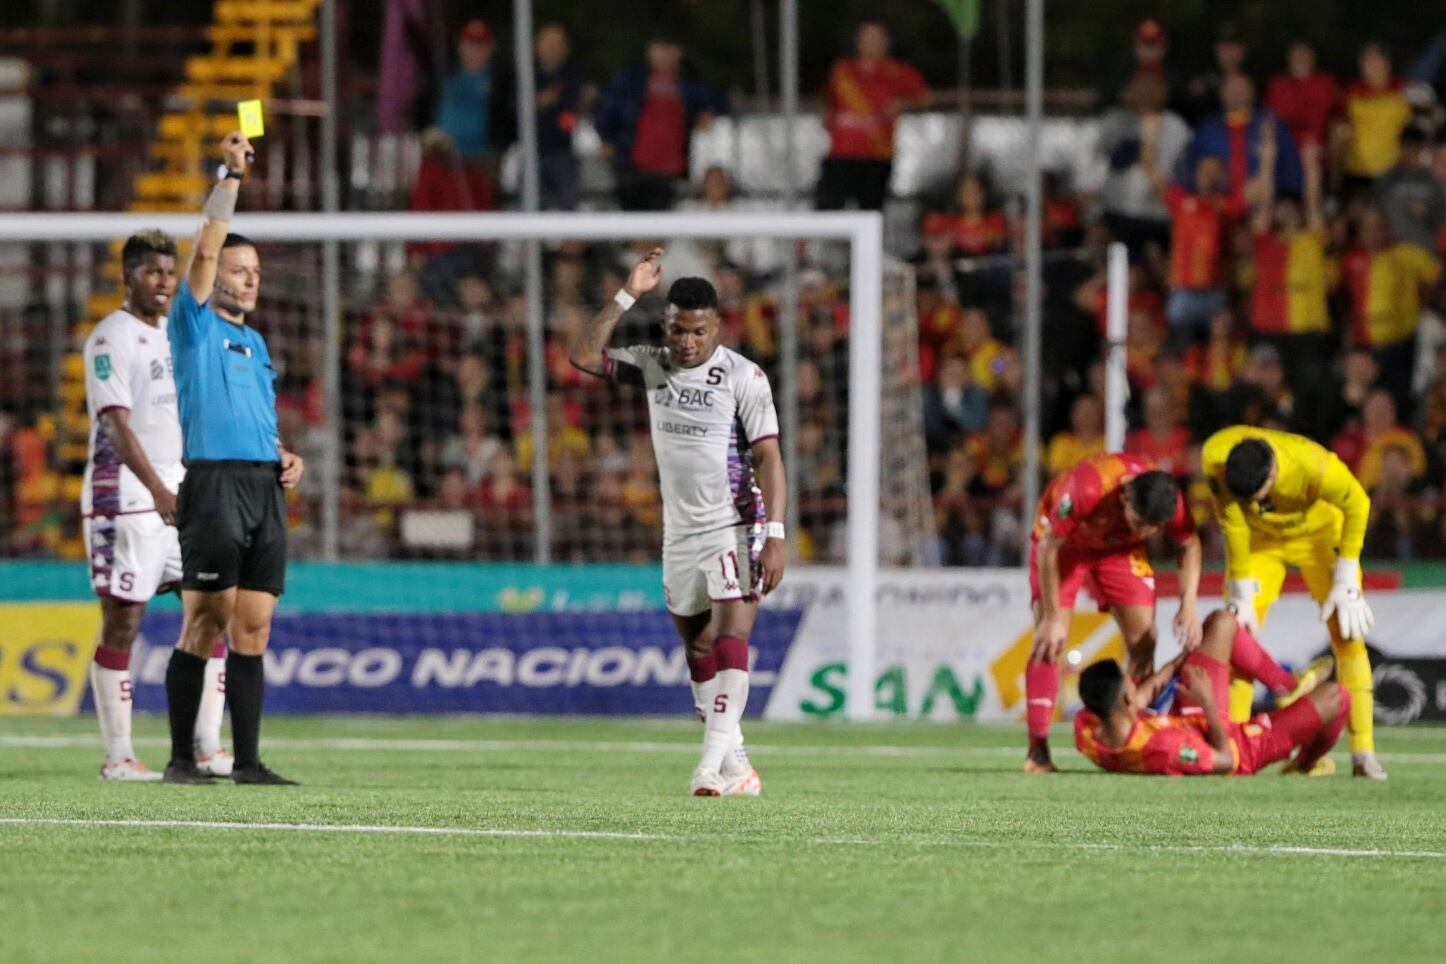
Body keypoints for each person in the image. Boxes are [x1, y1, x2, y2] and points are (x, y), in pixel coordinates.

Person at [569, 248, 786, 796]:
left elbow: (769, 458)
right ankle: (737, 763)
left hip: (734, 523)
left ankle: (708, 768)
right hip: (680, 532)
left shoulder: (744, 376)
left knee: (732, 635)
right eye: (678, 330)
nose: (688, 342)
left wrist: (776, 535)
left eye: (698, 331)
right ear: (665, 325)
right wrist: (628, 292)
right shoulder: (653, 364)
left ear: (718, 326)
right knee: (696, 647)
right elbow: (581, 355)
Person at [162, 132, 304, 785]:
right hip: (214, 486)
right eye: (240, 269)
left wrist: (285, 457)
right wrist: (231, 175)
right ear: (215, 274)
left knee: (255, 627)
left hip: (261, 486)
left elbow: (257, 419)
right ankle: (180, 759)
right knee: (205, 620)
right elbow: (205, 244)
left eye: (256, 273)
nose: (251, 279)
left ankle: (246, 762)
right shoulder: (193, 324)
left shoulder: (259, 342)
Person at [80, 230, 229, 780]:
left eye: (170, 273)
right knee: (124, 623)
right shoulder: (109, 339)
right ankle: (119, 756)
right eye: (153, 272)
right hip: (125, 501)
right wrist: (160, 493)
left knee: (213, 612)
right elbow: (115, 424)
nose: (164, 282)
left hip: (182, 497)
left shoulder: (178, 335)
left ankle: (208, 748)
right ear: (128, 277)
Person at [1200, 425, 1386, 778]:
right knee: (1237, 638)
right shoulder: (1215, 456)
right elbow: (1234, 523)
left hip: (1319, 536)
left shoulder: (1314, 466)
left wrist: (1347, 574)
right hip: (1260, 543)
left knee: (1347, 634)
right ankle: (1233, 753)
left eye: (1259, 494)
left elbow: (1358, 503)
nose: (1255, 503)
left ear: (1273, 473)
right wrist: (1240, 588)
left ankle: (1363, 753)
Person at [1025, 453, 1203, 772]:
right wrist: (1051, 617)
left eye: (1154, 529)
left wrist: (1187, 606)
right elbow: (1050, 546)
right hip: (1062, 545)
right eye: (1140, 524)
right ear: (1125, 496)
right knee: (1050, 640)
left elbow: (1190, 545)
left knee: (1145, 638)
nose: (1147, 533)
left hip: (1117, 551)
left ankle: (1130, 733)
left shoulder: (1168, 499)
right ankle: (1037, 750)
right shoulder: (1088, 488)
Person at [1075, 610, 1344, 776]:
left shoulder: (1088, 729)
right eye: (1131, 684)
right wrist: (1208, 704)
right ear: (1125, 699)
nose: (1137, 685)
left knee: (1221, 623)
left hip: (1188, 717)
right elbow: (1225, 761)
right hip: (1237, 747)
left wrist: (1183, 657)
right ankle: (1305, 765)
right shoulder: (1164, 748)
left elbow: (1141, 697)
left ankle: (1286, 687)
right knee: (1338, 696)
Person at [594, 35, 727, 211]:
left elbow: (718, 99)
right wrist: (606, 139)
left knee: (658, 228)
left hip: (669, 170)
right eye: (660, 48)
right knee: (632, 225)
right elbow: (605, 109)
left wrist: (710, 111)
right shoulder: (631, 79)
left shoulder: (688, 82)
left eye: (670, 49)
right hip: (632, 166)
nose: (665, 54)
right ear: (650, 51)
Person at [815, 20, 930, 212]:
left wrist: (902, 104)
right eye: (867, 38)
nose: (871, 43)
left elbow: (925, 98)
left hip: (877, 153)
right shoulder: (842, 70)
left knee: (870, 212)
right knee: (825, 206)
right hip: (841, 153)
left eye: (877, 38)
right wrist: (826, 114)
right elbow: (828, 99)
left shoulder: (898, 71)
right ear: (858, 42)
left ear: (886, 43)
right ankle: (806, 242)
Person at [435, 19, 496, 164]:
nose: (474, 50)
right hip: (446, 156)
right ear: (460, 46)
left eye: (480, 45)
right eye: (470, 44)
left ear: (490, 47)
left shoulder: (501, 81)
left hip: (482, 156)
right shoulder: (447, 79)